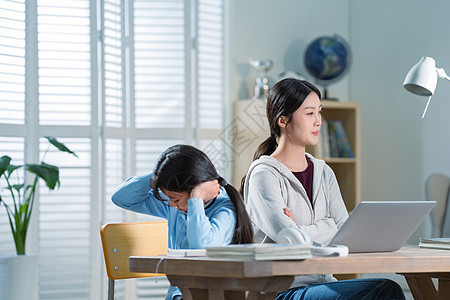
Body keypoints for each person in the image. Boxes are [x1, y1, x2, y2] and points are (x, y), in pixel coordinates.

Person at [241, 78, 405, 300]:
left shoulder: (323, 171)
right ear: (282, 120)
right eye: (309, 114)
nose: (318, 121)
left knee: (389, 287)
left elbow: (346, 236)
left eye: (319, 112)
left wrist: (301, 229)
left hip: (323, 283)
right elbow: (291, 242)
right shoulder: (264, 174)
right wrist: (326, 226)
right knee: (383, 290)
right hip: (281, 291)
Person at [112, 144, 253, 300]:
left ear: (193, 189)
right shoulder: (177, 205)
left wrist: (196, 199)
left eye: (176, 199)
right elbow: (121, 198)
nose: (172, 205)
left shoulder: (225, 210)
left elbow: (200, 246)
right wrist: (160, 174)